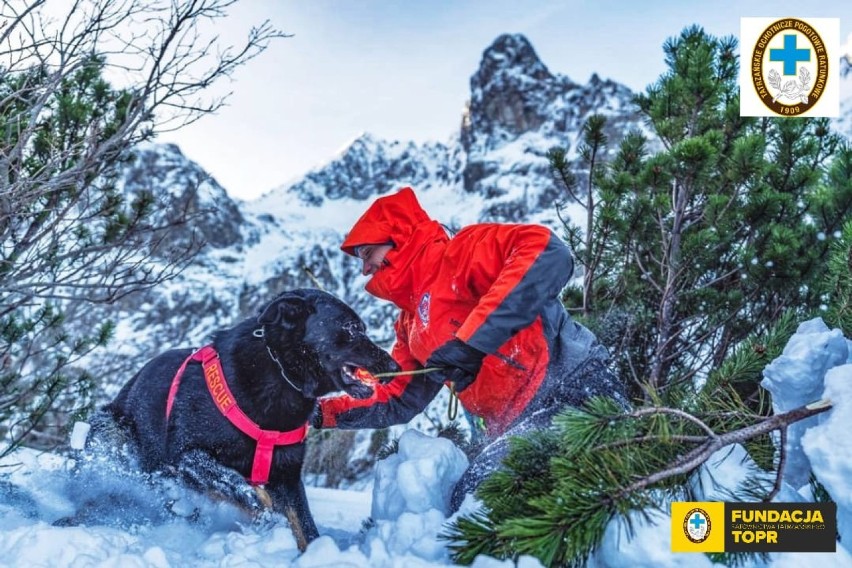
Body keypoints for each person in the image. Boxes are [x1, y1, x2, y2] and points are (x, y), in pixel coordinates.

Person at [314, 187, 628, 510]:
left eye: (368, 254)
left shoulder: (461, 253)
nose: (365, 269)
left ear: (397, 238)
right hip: (516, 426)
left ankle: (681, 541)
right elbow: (398, 397)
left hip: (571, 387)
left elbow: (549, 253)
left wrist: (471, 344)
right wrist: (322, 413)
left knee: (478, 502)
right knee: (473, 505)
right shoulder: (410, 325)